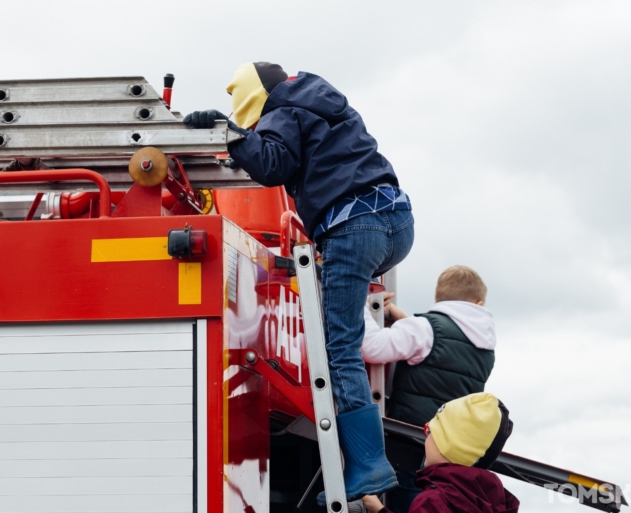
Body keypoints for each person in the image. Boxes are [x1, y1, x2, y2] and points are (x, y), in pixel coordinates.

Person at [183, 62, 414, 501]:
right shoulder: (324, 102)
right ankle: (366, 458)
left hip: (353, 227)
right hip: (397, 222)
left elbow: (272, 164)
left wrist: (229, 133)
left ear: (254, 104)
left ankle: (368, 465)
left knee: (339, 348)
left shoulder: (281, 111)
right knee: (342, 322)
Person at [362, 265, 496, 511]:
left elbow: (372, 347)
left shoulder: (425, 328)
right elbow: (442, 350)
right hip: (452, 462)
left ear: (439, 299)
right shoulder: (486, 347)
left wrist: (362, 305)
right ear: (478, 304)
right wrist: (403, 319)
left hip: (411, 450)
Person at [361, 392, 519, 513]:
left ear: (447, 446)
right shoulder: (490, 500)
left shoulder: (433, 502)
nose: (425, 436)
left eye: (430, 431)